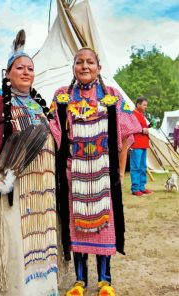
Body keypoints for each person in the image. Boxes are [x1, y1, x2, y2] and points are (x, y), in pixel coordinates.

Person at [0, 30, 58, 296]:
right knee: (18, 243)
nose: (26, 72)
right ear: (8, 73)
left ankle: (44, 290)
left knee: (43, 238)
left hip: (44, 190)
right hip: (15, 191)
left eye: (30, 68)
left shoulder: (41, 107)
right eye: (20, 68)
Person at [48, 47, 141, 296]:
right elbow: (53, 132)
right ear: (73, 68)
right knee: (76, 224)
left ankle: (104, 281)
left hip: (103, 174)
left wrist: (120, 172)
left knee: (104, 227)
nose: (85, 66)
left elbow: (128, 133)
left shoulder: (111, 95)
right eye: (80, 62)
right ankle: (79, 281)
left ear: (99, 67)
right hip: (74, 173)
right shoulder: (61, 96)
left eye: (90, 62)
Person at [130, 97, 153, 196]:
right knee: (136, 167)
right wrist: (142, 130)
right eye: (144, 105)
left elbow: (142, 128)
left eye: (146, 105)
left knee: (143, 167)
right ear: (138, 104)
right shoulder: (132, 114)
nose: (145, 107)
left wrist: (148, 127)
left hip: (144, 143)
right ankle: (135, 188)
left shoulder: (141, 115)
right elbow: (130, 128)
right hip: (136, 144)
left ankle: (141, 187)